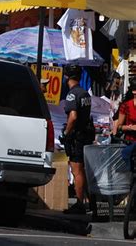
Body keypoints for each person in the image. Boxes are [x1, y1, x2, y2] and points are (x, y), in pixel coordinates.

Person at [59, 65, 94, 214]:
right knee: (82, 170)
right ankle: (88, 203)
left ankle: (79, 204)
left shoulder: (72, 94)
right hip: (85, 134)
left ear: (67, 77)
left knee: (76, 170)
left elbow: (73, 117)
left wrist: (66, 133)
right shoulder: (85, 93)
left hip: (77, 136)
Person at [113, 78, 136, 142]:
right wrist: (130, 127)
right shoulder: (126, 105)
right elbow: (119, 126)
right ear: (134, 91)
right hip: (131, 142)